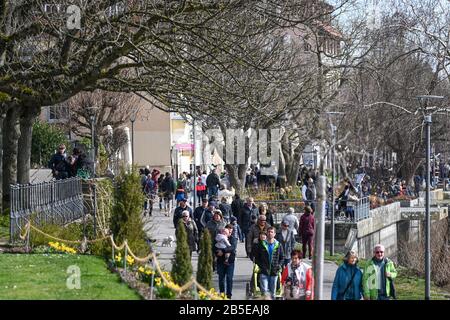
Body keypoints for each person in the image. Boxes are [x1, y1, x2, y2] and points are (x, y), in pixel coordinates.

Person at [253, 226, 284, 300]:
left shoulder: (278, 245)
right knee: (265, 293)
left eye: (271, 232)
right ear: (267, 233)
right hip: (264, 272)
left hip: (274, 272)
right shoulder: (262, 244)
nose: (270, 233)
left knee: (273, 293)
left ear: (274, 234)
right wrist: (261, 266)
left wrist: (278, 266)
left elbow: (282, 257)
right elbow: (256, 258)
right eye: (268, 232)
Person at [215, 224, 237, 299]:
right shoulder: (219, 237)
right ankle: (222, 294)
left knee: (229, 278)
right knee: (221, 279)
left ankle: (229, 295)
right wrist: (217, 252)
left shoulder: (233, 239)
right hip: (220, 261)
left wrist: (223, 251)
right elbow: (214, 247)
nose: (229, 233)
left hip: (230, 262)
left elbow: (232, 247)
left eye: (230, 232)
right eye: (227, 231)